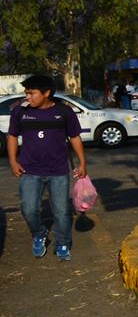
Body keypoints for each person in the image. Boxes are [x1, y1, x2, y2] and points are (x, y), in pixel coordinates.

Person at [7, 75, 87, 262]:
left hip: (58, 171)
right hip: (30, 170)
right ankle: (39, 233)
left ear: (46, 93)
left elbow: (74, 137)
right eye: (26, 93)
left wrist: (82, 163)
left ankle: (63, 243)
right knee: (29, 209)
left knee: (61, 212)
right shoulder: (20, 112)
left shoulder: (64, 112)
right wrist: (13, 161)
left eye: (32, 93)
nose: (28, 97)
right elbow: (12, 136)